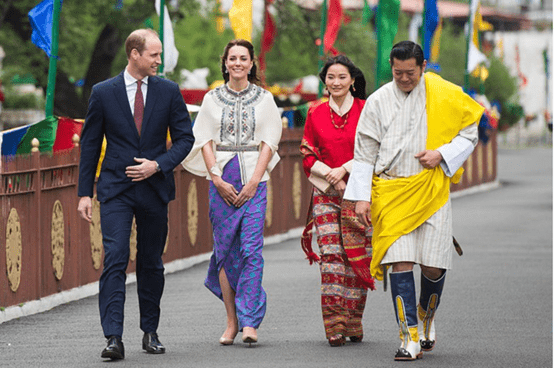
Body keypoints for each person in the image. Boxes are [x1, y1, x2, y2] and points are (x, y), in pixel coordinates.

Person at [344, 41, 484, 361]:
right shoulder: (378, 101)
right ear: (391, 69)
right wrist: (361, 199)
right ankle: (408, 336)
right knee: (401, 262)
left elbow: (470, 130)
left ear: (423, 68)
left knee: (433, 266)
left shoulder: (443, 93)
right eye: (397, 73)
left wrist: (442, 154)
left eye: (410, 73)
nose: (404, 78)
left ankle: (426, 318)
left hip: (431, 190)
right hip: (391, 191)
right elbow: (364, 151)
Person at [77, 29, 194, 360]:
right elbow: (89, 144)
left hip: (154, 189)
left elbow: (185, 139)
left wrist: (157, 165)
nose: (159, 60)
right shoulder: (103, 92)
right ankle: (113, 337)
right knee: (114, 257)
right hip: (115, 188)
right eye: (154, 55)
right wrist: (85, 193)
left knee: (150, 261)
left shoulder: (169, 92)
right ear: (134, 54)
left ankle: (150, 332)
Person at [181, 39, 282, 346]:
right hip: (222, 177)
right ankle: (231, 319)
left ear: (252, 64)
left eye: (244, 58)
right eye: (232, 58)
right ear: (224, 63)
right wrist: (216, 177)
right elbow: (204, 141)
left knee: (251, 249)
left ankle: (250, 321)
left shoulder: (265, 99)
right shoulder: (212, 99)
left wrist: (254, 180)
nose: (238, 63)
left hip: (254, 178)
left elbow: (269, 141)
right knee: (225, 251)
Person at [300, 55, 375, 347]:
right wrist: (332, 176)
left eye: (342, 77)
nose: (336, 83)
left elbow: (373, 150)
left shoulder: (366, 110)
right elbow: (307, 154)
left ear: (352, 80)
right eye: (331, 77)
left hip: (359, 198)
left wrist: (345, 170)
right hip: (326, 196)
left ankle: (353, 319)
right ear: (325, 82)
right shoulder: (315, 112)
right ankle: (334, 324)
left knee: (357, 256)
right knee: (332, 257)